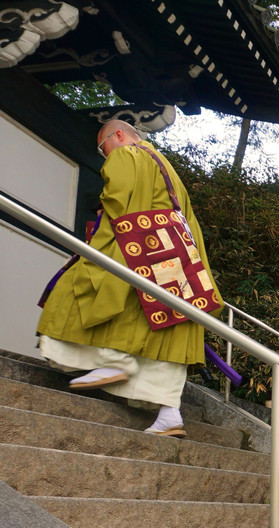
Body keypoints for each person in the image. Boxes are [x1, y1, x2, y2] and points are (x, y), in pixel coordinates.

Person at [36, 119, 220, 437]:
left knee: (74, 291)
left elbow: (116, 201)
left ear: (118, 135)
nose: (104, 155)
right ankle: (169, 414)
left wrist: (97, 242)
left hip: (137, 247)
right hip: (176, 258)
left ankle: (113, 361)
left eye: (102, 147)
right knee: (166, 327)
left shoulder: (127, 154)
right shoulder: (168, 169)